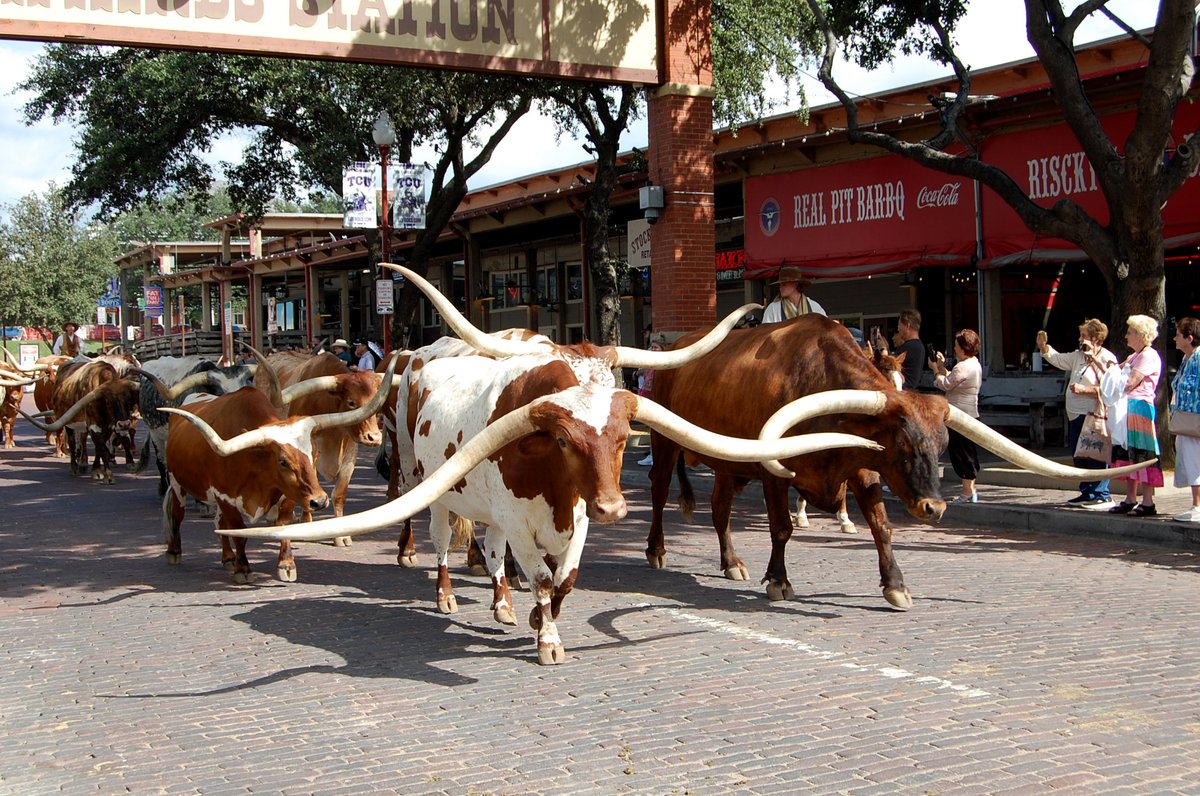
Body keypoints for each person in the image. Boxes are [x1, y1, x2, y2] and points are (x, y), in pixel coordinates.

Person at [1036, 319, 1119, 509]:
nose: (1080, 339)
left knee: (1095, 452)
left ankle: (1101, 493)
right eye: (1081, 335)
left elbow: (1112, 386)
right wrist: (1044, 347)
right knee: (1079, 454)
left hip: (1093, 414)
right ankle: (1087, 492)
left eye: (1084, 336)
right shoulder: (1077, 356)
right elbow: (1058, 359)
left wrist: (1085, 391)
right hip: (1075, 414)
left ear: (1096, 339)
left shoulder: (1107, 357)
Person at [1099, 314, 1164, 516]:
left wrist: (1115, 375)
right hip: (1127, 408)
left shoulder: (1148, 355)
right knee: (1128, 452)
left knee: (1142, 451)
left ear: (1140, 335)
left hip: (1139, 408)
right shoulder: (1134, 356)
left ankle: (1147, 501)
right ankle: (1130, 498)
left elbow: (1129, 382)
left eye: (1130, 332)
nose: (1126, 336)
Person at [929, 329, 983, 503]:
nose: (954, 347)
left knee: (961, 453)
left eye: (956, 345)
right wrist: (942, 366)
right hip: (971, 414)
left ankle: (967, 492)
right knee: (968, 452)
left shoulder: (963, 366)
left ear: (963, 347)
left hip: (960, 416)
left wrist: (935, 371)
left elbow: (946, 384)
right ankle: (970, 490)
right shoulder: (974, 363)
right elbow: (953, 380)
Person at [1170, 317, 1200, 522]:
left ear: (1189, 338)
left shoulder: (1198, 360)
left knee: (1194, 459)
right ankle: (1195, 504)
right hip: (1185, 419)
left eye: (1178, 334)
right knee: (1188, 459)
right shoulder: (1185, 359)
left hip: (1195, 419)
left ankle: (1198, 506)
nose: (1174, 338)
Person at [636, 334, 666, 466]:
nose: (653, 350)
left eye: (656, 347)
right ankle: (653, 455)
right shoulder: (650, 365)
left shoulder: (664, 365)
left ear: (662, 349)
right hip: (650, 399)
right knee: (653, 429)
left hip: (660, 401)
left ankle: (657, 456)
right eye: (652, 347)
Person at [761, 266, 826, 323]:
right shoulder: (773, 308)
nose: (780, 287)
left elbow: (826, 329)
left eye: (784, 284)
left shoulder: (814, 307)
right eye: (780, 285)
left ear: (795, 284)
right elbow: (765, 332)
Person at [891, 309, 926, 390]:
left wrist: (883, 349)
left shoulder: (911, 347)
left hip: (904, 392)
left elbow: (888, 365)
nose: (898, 329)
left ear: (907, 326)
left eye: (899, 325)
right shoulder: (917, 346)